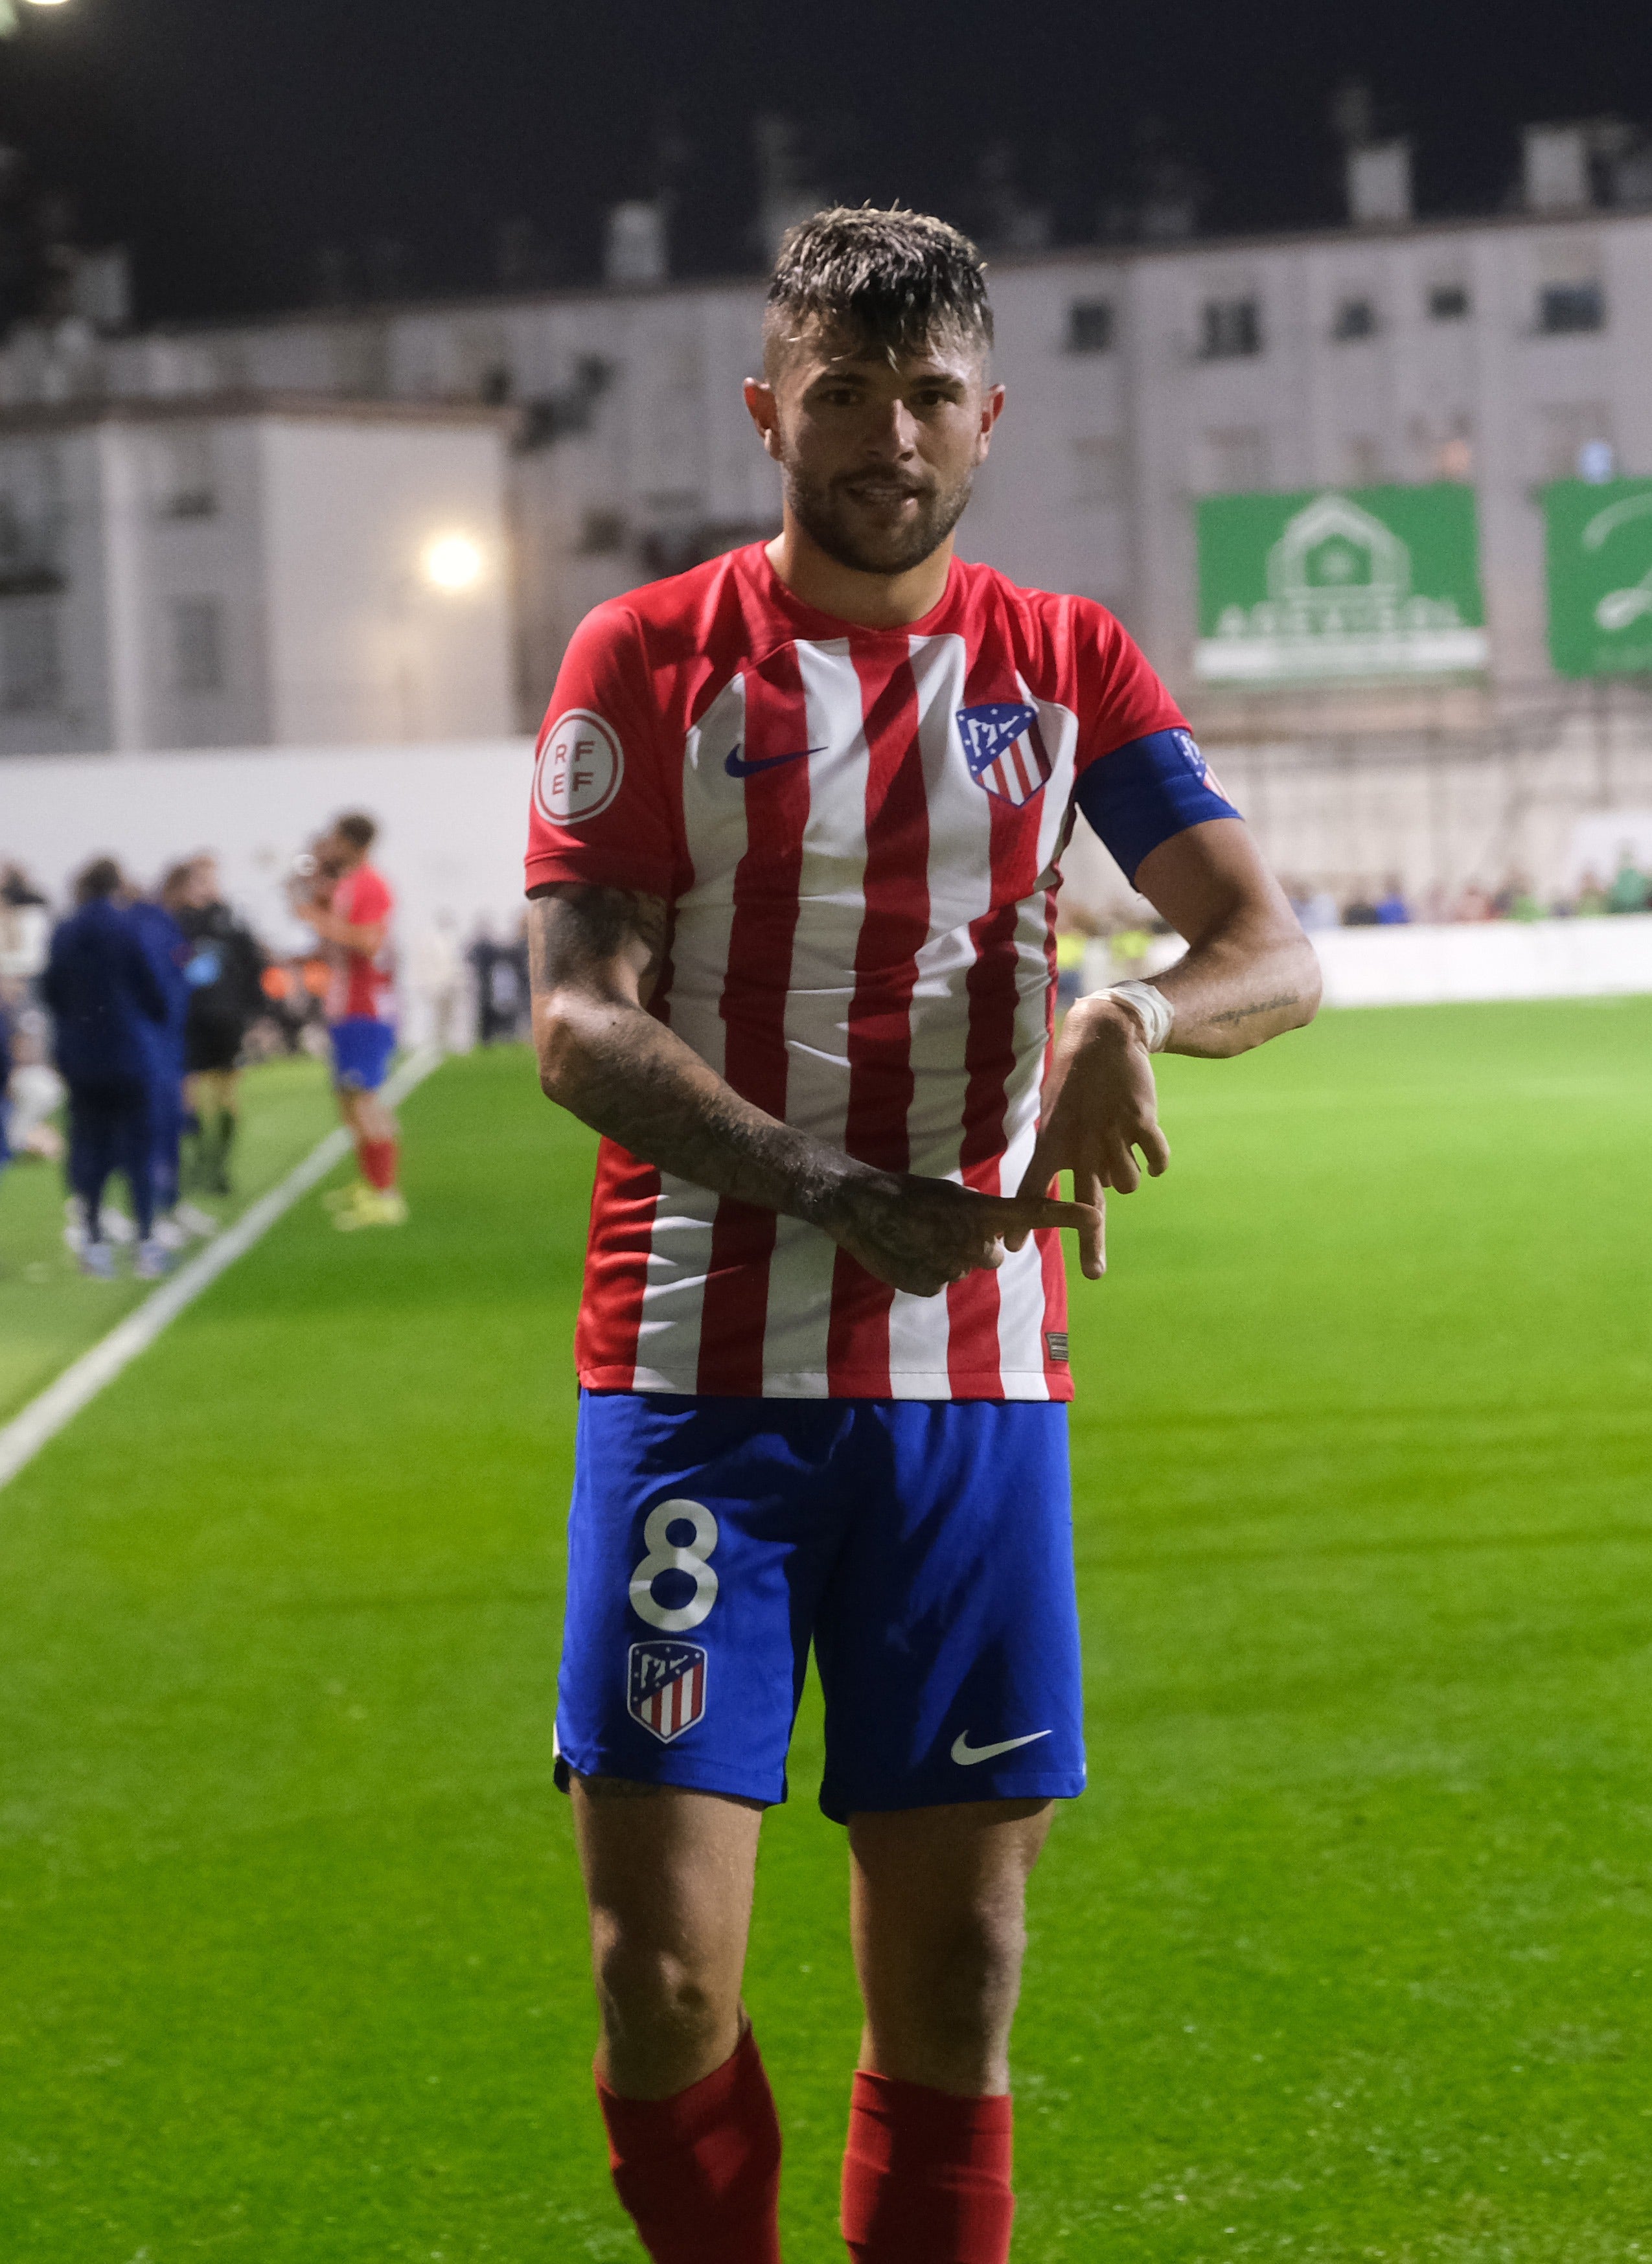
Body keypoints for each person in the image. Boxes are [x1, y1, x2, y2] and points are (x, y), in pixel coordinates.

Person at [523, 207, 1319, 2264]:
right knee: (658, 1981)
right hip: (696, 1384)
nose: (890, 434)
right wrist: (826, 1190)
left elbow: (1266, 943)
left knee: (956, 1989)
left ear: (990, 417)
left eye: (929, 396)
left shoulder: (1063, 664)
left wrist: (1127, 1007)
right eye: (847, 393)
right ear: (770, 406)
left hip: (971, 1401)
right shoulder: (646, 655)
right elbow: (578, 1019)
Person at [41, 857, 169, 1279]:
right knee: (139, 1147)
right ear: (117, 886)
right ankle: (146, 1241)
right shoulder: (127, 928)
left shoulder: (64, 931)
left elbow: (51, 992)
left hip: (81, 1058)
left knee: (88, 1148)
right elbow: (153, 990)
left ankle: (94, 1241)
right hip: (130, 1053)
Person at [295, 812, 406, 1228]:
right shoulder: (348, 883)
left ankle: (386, 1194)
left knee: (365, 1099)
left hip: (366, 1007)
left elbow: (371, 940)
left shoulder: (370, 884)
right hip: (346, 1004)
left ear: (349, 841)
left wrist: (319, 920)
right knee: (348, 1100)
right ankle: (369, 1182)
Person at [174, 856, 266, 1195]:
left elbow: (253, 966)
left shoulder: (232, 921)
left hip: (226, 1020)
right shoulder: (176, 923)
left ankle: (220, 1166)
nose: (206, 886)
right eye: (198, 880)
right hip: (189, 1019)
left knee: (227, 1093)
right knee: (188, 1092)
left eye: (210, 879)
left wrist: (256, 1014)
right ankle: (197, 1162)